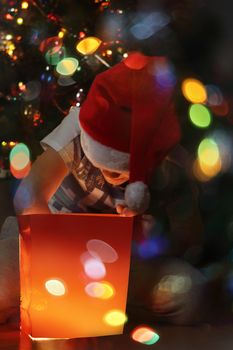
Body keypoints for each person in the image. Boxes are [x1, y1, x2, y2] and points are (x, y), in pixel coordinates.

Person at [0, 52, 205, 326]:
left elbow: (185, 234)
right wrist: (56, 247)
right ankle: (43, 307)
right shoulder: (77, 131)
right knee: (5, 278)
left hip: (117, 264)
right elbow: (29, 196)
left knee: (188, 291)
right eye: (110, 168)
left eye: (126, 172)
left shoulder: (167, 164)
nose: (116, 178)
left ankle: (101, 312)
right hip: (47, 248)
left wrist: (144, 233)